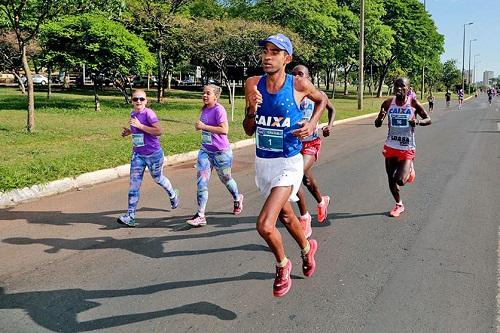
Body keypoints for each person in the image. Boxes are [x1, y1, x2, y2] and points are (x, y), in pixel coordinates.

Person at [243, 34, 326, 297]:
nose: (267, 56)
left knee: (265, 225)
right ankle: (306, 248)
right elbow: (248, 131)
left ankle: (282, 264)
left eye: (275, 52)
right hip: (264, 163)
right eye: (265, 51)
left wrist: (313, 124)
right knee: (287, 216)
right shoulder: (253, 84)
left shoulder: (299, 84)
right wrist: (251, 111)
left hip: (289, 164)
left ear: (286, 59)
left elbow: (322, 99)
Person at [117, 90, 179, 227]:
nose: (138, 101)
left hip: (153, 154)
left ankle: (173, 194)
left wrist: (140, 126)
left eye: (141, 99)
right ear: (132, 101)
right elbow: (137, 131)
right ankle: (131, 216)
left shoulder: (149, 113)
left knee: (158, 179)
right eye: (135, 99)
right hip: (138, 155)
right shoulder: (133, 113)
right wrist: (130, 131)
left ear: (146, 101)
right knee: (134, 185)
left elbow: (158, 131)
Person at [186, 84, 244, 227]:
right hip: (205, 151)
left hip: (221, 152)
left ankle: (237, 198)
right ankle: (200, 215)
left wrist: (203, 127)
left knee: (226, 179)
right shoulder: (205, 109)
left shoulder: (219, 110)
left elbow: (224, 130)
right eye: (203, 93)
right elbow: (204, 127)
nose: (205, 96)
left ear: (216, 96)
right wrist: (199, 126)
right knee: (201, 183)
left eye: (208, 93)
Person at [374, 77, 431, 217]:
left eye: (403, 86)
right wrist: (380, 118)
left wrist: (417, 122)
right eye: (397, 86)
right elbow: (377, 123)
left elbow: (428, 119)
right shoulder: (388, 103)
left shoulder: (413, 103)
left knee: (400, 180)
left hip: (407, 147)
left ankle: (409, 168)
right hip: (391, 145)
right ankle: (399, 204)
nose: (399, 89)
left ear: (408, 89)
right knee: (391, 179)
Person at [291, 64, 336, 238]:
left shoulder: (316, 94)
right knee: (306, 181)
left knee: (296, 175)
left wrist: (329, 126)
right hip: (293, 143)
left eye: (300, 74)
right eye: (293, 74)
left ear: (308, 77)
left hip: (311, 143)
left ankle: (304, 217)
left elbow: (331, 109)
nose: (296, 77)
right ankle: (321, 200)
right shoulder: (289, 95)